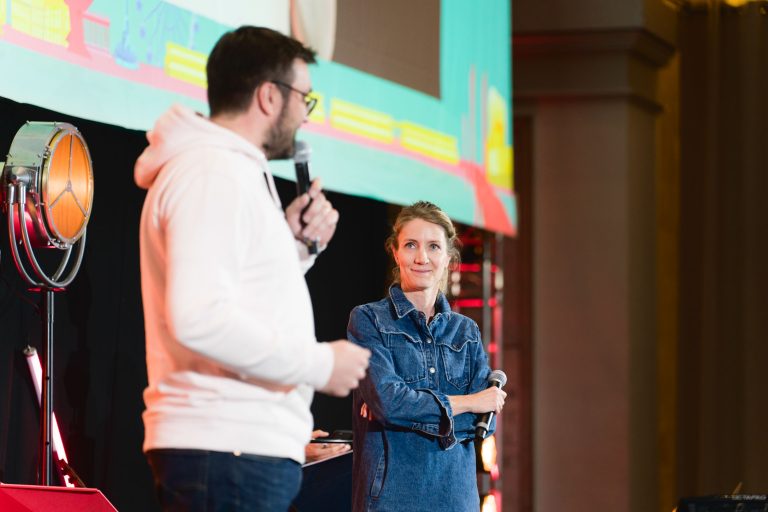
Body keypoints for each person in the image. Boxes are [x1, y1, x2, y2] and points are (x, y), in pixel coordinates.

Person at [134, 26, 370, 511]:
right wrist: (320, 364)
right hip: (225, 449)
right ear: (268, 96)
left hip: (234, 450)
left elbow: (237, 291)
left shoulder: (228, 169)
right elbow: (199, 317)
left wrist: (293, 247)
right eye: (305, 98)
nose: (305, 114)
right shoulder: (211, 171)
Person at [347, 201, 507, 512]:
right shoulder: (368, 320)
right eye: (410, 245)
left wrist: (406, 412)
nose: (422, 257)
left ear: (448, 257)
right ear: (396, 252)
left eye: (433, 246)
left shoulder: (466, 331)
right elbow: (389, 403)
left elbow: (484, 427)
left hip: (456, 500)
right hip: (390, 500)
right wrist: (468, 403)